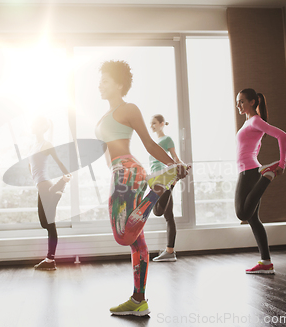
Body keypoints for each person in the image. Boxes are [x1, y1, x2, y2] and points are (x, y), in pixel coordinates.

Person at [95, 60, 189, 316]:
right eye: (100, 80)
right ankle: (139, 300)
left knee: (122, 235)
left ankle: (157, 189)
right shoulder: (104, 116)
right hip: (119, 173)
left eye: (104, 80)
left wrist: (173, 165)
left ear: (119, 84)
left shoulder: (128, 108)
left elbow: (148, 143)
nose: (99, 85)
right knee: (137, 242)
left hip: (128, 171)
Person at [234, 88, 286, 275]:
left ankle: (267, 175)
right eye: (237, 101)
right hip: (248, 170)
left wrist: (282, 163)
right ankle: (266, 262)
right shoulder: (249, 121)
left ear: (252, 102)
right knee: (253, 219)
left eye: (241, 101)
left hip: (250, 172)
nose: (238, 105)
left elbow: (283, 135)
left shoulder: (256, 120)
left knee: (242, 214)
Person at [28, 117, 71, 270]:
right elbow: (31, 166)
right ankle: (58, 192)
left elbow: (59, 162)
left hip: (46, 185)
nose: (31, 126)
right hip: (42, 186)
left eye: (34, 123)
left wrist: (67, 175)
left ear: (41, 128)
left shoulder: (47, 145)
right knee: (44, 223)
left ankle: (50, 260)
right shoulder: (33, 146)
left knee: (50, 223)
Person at [149, 114, 182, 262]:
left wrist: (181, 165)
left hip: (161, 178)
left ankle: (171, 185)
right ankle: (170, 251)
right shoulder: (156, 141)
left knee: (157, 211)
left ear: (162, 124)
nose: (152, 126)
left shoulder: (166, 139)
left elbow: (174, 157)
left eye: (154, 123)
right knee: (168, 216)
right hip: (157, 177)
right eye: (151, 123)